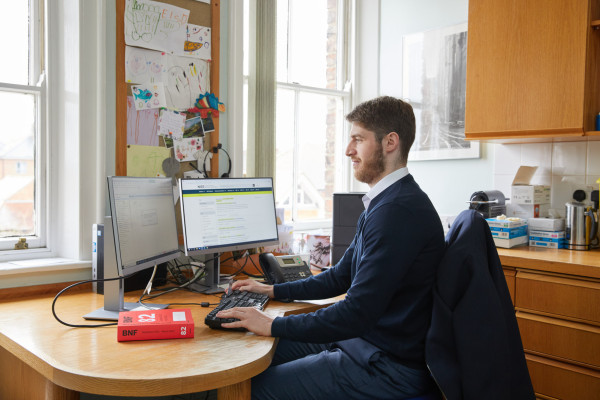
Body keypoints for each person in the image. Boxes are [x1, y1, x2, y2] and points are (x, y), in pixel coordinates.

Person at [216, 96, 446, 400]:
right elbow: (340, 276)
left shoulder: (399, 211)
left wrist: (274, 323)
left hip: (385, 367)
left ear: (390, 142)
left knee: (250, 390)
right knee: (248, 351)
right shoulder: (383, 202)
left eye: (358, 139)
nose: (348, 150)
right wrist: (272, 292)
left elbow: (355, 314)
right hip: (361, 345)